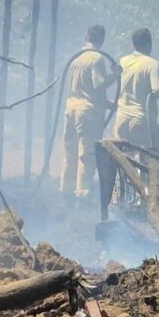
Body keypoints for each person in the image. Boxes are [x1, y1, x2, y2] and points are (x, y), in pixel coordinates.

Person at [99, 28, 159, 218]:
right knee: (144, 160)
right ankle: (142, 199)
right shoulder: (152, 64)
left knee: (121, 158)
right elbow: (158, 91)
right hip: (140, 119)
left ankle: (118, 199)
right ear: (149, 44)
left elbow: (108, 81)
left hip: (121, 117)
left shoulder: (124, 61)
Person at [57, 25, 115, 200]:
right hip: (88, 115)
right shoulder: (96, 59)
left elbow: (83, 90)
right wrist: (115, 75)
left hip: (71, 110)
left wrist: (106, 104)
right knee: (87, 155)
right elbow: (98, 86)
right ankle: (82, 196)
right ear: (102, 40)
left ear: (86, 37)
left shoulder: (77, 58)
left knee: (70, 154)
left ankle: (65, 192)